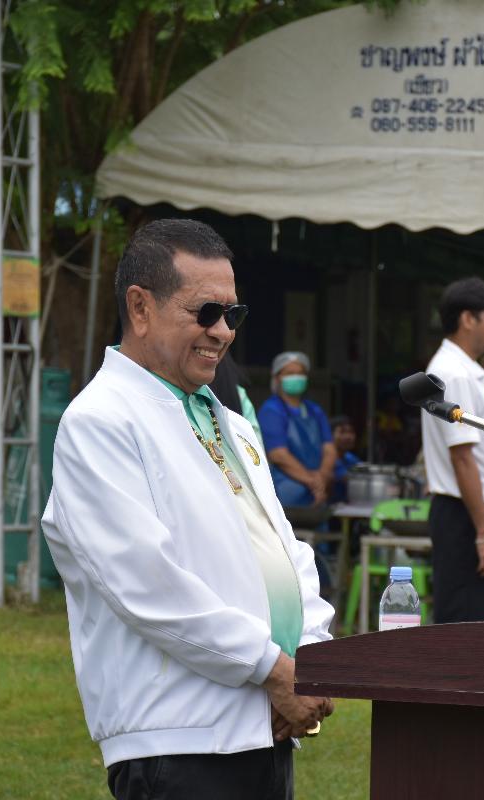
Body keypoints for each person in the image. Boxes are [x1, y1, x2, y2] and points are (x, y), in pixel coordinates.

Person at [41, 219, 334, 800]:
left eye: (233, 314)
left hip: (264, 724)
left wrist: (311, 658)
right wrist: (276, 670)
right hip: (179, 737)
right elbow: (147, 585)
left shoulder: (231, 423)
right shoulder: (100, 421)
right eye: (206, 312)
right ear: (140, 307)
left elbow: (286, 552)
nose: (222, 332)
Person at [420, 277, 484, 623]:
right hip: (467, 515)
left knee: (476, 618)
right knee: (467, 624)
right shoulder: (453, 373)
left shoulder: (463, 370)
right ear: (468, 319)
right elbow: (462, 456)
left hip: (471, 511)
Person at [258, 352, 336, 507]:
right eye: (289, 373)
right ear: (277, 378)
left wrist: (321, 478)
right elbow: (278, 455)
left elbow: (329, 450)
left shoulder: (314, 410)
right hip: (285, 491)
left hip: (317, 491)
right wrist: (313, 481)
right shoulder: (272, 410)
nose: (296, 377)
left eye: (300, 373)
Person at [329, 415, 361, 503]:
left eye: (351, 432)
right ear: (329, 435)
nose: (348, 436)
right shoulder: (322, 459)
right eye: (342, 432)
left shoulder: (352, 459)